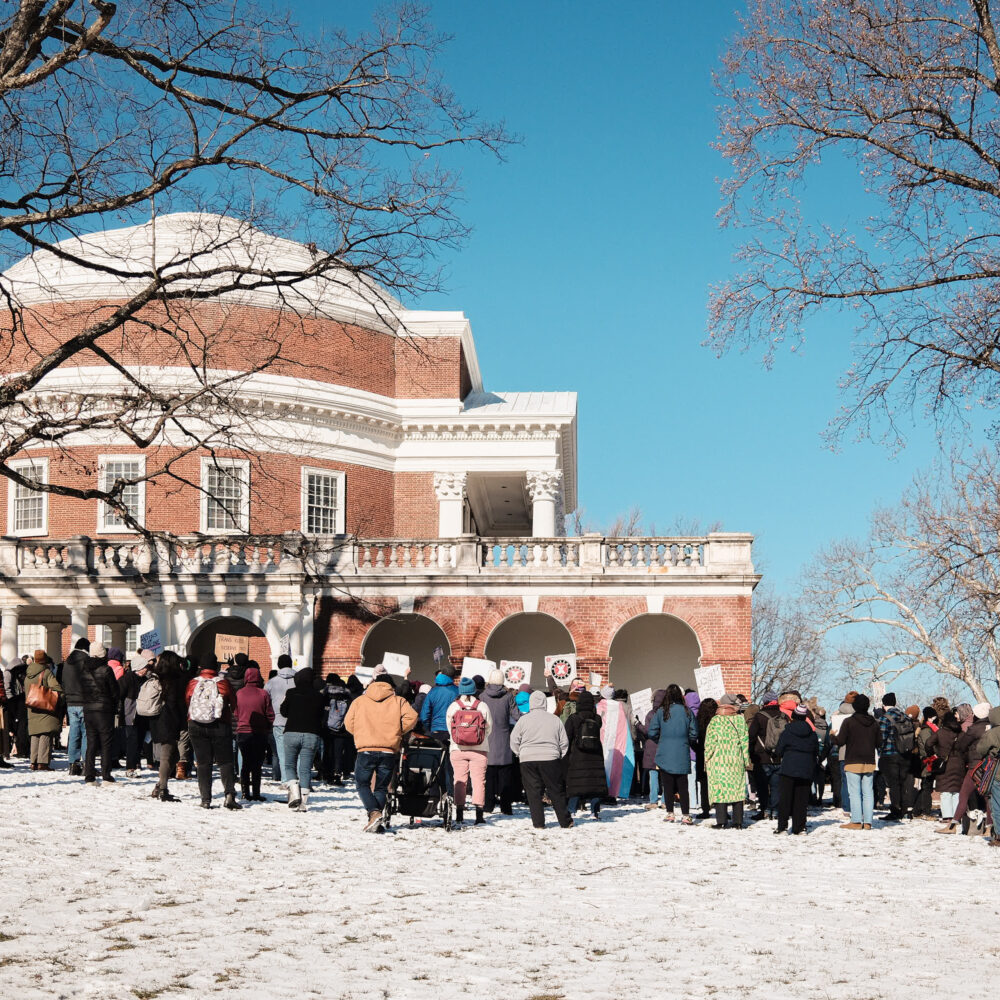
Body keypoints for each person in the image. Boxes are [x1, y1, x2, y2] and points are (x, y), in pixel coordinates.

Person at [344, 669, 418, 832]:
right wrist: (397, 731)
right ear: (391, 686)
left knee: (362, 783)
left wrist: (361, 732)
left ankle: (374, 813)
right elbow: (412, 717)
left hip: (366, 748)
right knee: (381, 788)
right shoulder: (398, 701)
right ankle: (375, 818)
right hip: (388, 750)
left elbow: (348, 723)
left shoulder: (360, 701)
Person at [509, 689, 572, 829]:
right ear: (544, 703)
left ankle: (538, 823)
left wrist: (520, 753)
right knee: (556, 791)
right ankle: (565, 821)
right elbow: (564, 742)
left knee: (533, 793)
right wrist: (559, 755)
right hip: (551, 758)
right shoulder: (554, 720)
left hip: (527, 759)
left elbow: (514, 740)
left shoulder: (523, 720)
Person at [186, 653, 240, 809]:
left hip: (196, 724)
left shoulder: (193, 683)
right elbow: (234, 703)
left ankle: (205, 799)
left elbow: (187, 700)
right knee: (225, 762)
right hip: (220, 725)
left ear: (201, 667)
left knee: (203, 763)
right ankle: (229, 794)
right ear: (216, 666)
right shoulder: (223, 683)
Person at [646, 684, 698, 824]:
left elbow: (651, 732)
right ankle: (686, 815)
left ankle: (670, 813)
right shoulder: (687, 712)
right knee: (683, 786)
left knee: (667, 786)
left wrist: (661, 740)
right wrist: (686, 740)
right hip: (682, 752)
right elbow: (694, 733)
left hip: (664, 752)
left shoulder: (662, 711)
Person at [445, 676, 493, 827]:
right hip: (479, 750)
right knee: (479, 781)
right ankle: (479, 815)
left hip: (458, 749)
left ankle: (459, 813)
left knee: (459, 780)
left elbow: (449, 728)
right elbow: (489, 727)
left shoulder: (454, 706)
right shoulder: (482, 706)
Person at [279, 667, 326, 811]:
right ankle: (303, 803)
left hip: (291, 732)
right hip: (311, 735)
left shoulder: (291, 693)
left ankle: (294, 793)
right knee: (305, 769)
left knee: (289, 765)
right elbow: (322, 717)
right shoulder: (319, 696)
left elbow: (283, 711)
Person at [703, 693, 750, 829]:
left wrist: (707, 759)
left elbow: (710, 743)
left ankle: (722, 821)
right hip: (736, 759)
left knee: (720, 790)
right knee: (737, 790)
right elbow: (744, 742)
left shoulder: (715, 721)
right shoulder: (740, 720)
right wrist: (745, 759)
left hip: (718, 761)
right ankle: (738, 822)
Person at [835, 693, 881, 830]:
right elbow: (879, 742)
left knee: (854, 792)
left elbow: (841, 741)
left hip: (852, 760)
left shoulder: (849, 722)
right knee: (868, 792)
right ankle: (867, 822)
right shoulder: (874, 723)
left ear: (854, 706)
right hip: (869, 760)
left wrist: (832, 736)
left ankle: (855, 821)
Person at [148, 650, 187, 802]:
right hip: (171, 719)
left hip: (158, 718)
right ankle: (163, 788)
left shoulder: (157, 677)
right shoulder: (178, 679)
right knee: (168, 755)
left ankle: (160, 785)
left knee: (172, 755)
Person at [479, 669, 520, 814]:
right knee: (505, 777)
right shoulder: (508, 697)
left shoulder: (482, 696)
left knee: (488, 776)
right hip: (504, 740)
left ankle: (488, 805)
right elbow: (516, 716)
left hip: (487, 740)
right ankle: (506, 807)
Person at [775, 703, 819, 835]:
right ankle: (799, 827)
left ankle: (782, 827)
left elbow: (779, 750)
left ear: (793, 716)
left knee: (785, 799)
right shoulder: (811, 734)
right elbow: (816, 751)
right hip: (806, 768)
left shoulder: (787, 732)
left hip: (788, 767)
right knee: (801, 800)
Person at [564, 690, 608, 820]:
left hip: (578, 755)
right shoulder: (597, 718)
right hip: (595, 755)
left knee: (576, 784)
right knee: (596, 785)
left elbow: (567, 737)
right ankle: (594, 812)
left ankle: (572, 810)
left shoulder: (573, 718)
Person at [80, 642, 120, 784]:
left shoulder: (83, 670)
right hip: (104, 710)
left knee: (91, 743)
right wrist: (115, 704)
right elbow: (115, 691)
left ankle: (89, 775)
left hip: (88, 709)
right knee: (106, 743)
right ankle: (106, 774)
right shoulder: (106, 669)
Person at [235, 665, 275, 801]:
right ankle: (256, 793)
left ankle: (245, 792)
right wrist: (268, 727)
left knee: (246, 763)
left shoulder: (239, 693)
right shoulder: (263, 693)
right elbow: (270, 714)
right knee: (257, 764)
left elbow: (235, 712)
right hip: (260, 733)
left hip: (243, 732)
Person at [874, 692, 915, 821]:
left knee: (893, 784)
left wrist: (879, 751)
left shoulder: (885, 718)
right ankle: (904, 809)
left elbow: (881, 738)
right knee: (903, 783)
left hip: (889, 755)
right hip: (905, 754)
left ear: (883, 704)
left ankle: (895, 810)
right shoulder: (905, 717)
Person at [24, 650, 62, 771]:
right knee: (45, 733)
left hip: (32, 706)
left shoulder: (28, 674)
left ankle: (33, 762)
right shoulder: (46, 673)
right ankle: (43, 762)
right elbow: (57, 688)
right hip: (44, 706)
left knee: (35, 734)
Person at [596, 684, 636, 800]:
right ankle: (614, 792)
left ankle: (602, 791)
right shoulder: (620, 706)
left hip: (602, 740)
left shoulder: (598, 706)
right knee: (616, 767)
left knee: (604, 765)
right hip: (618, 740)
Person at [748, 689, 782, 819]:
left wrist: (751, 753)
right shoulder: (782, 715)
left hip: (762, 757)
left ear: (765, 701)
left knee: (762, 787)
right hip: (778, 757)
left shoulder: (759, 716)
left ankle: (765, 810)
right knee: (775, 786)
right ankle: (776, 812)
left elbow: (751, 736)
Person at [927, 710, 964, 825]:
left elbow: (928, 744)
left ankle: (947, 816)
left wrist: (934, 754)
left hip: (944, 764)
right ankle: (956, 817)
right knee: (956, 792)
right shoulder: (961, 733)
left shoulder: (940, 732)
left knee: (946, 792)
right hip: (959, 764)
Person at [264, 653, 297, 782]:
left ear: (278, 665)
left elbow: (265, 700)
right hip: (295, 720)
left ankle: (285, 779)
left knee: (281, 752)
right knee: (295, 752)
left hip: (278, 720)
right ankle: (295, 777)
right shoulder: (298, 680)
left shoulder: (271, 682)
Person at [61, 637, 90, 775]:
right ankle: (86, 764)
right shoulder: (86, 660)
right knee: (86, 734)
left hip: (70, 702)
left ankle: (73, 764)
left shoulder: (67, 661)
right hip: (84, 701)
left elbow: (64, 682)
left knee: (74, 733)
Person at [321, 673, 353, 785]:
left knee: (328, 751)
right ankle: (337, 775)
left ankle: (326, 774)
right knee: (339, 753)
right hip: (342, 729)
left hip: (327, 729)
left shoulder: (325, 694)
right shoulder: (346, 694)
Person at [694, 697, 718, 819]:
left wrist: (698, 750)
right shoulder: (718, 721)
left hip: (702, 755)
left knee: (704, 785)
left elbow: (692, 739)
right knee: (719, 783)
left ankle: (705, 809)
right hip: (717, 755)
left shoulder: (698, 722)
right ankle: (721, 809)